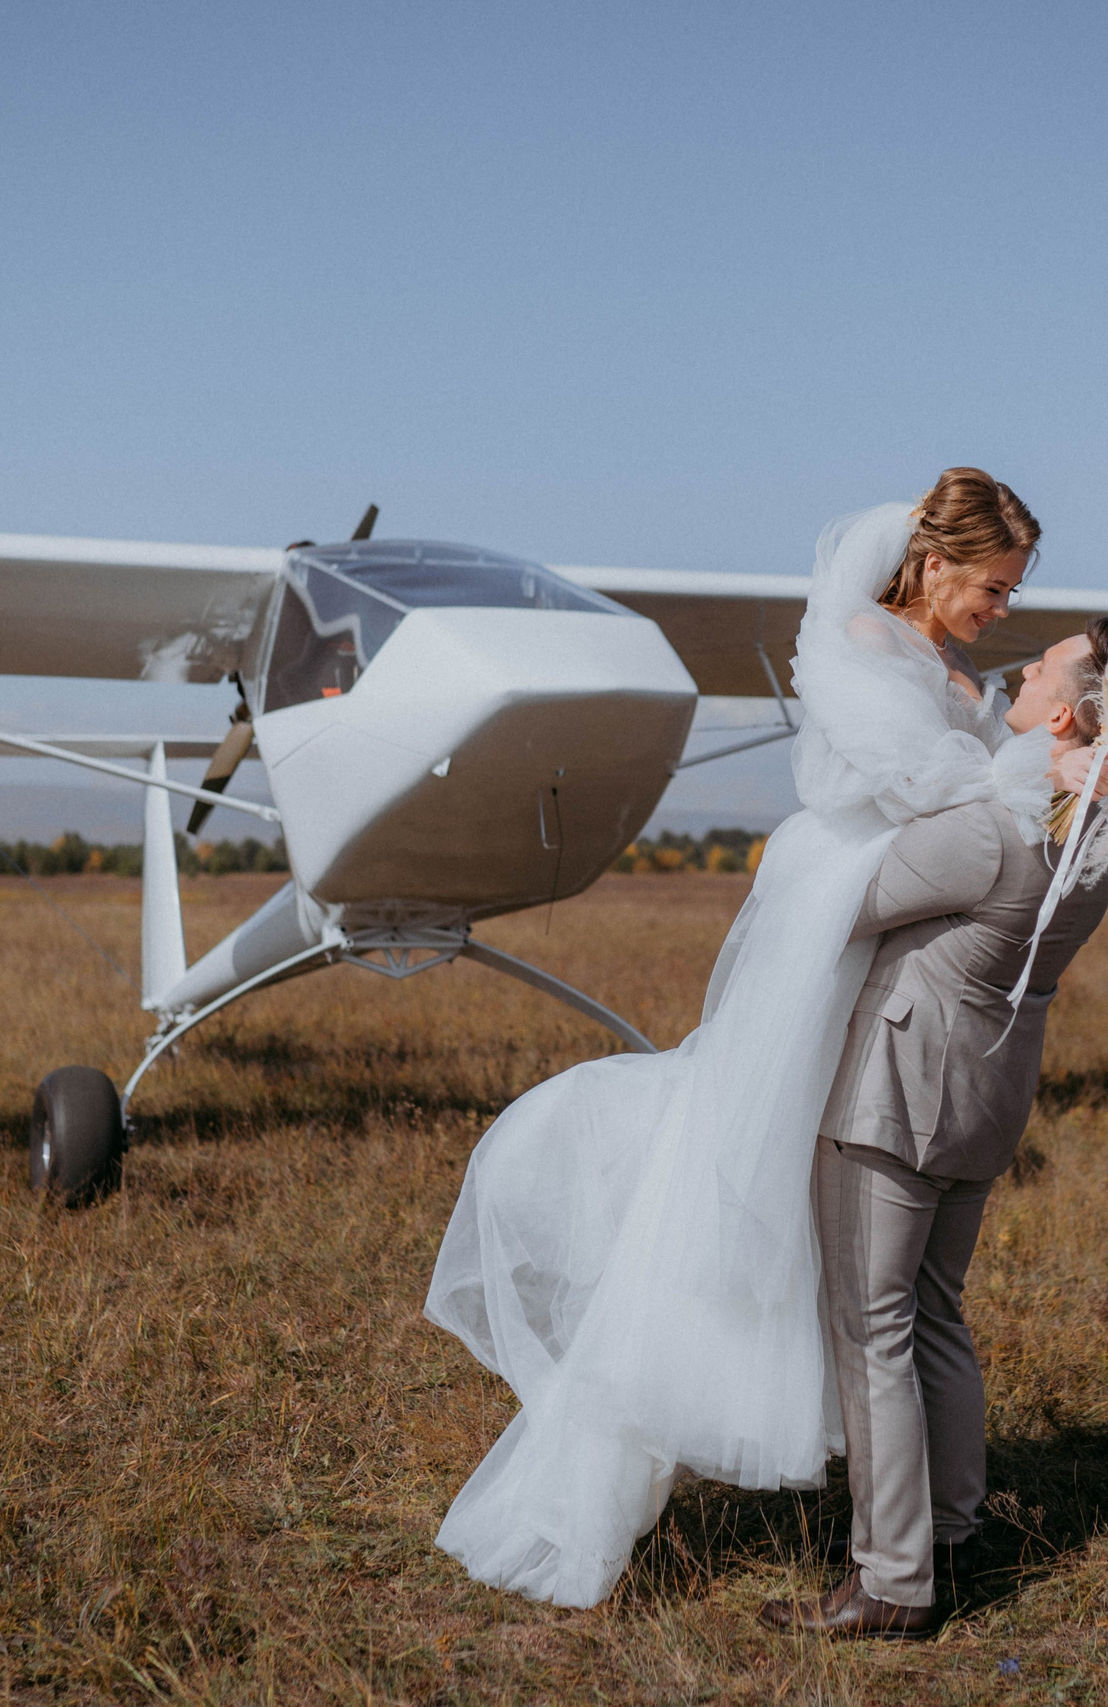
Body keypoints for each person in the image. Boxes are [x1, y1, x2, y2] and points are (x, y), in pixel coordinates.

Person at [425, 471, 1044, 1608]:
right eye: (992, 587)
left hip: (901, 938)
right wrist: (1028, 775)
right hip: (837, 919)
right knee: (754, 1182)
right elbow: (917, 782)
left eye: (1011, 592)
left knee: (878, 1256)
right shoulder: (861, 641)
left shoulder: (963, 679)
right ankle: (687, 1452)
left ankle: (914, 1523)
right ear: (933, 564)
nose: (1002, 610)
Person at [758, 615, 1108, 1640]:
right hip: (985, 1099)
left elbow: (834, 903)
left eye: (1045, 666)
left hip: (896, 1097)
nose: (1021, 669)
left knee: (873, 1329)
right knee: (933, 1312)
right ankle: (953, 1529)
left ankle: (892, 1580)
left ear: (1065, 716)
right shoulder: (1098, 837)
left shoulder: (992, 829)